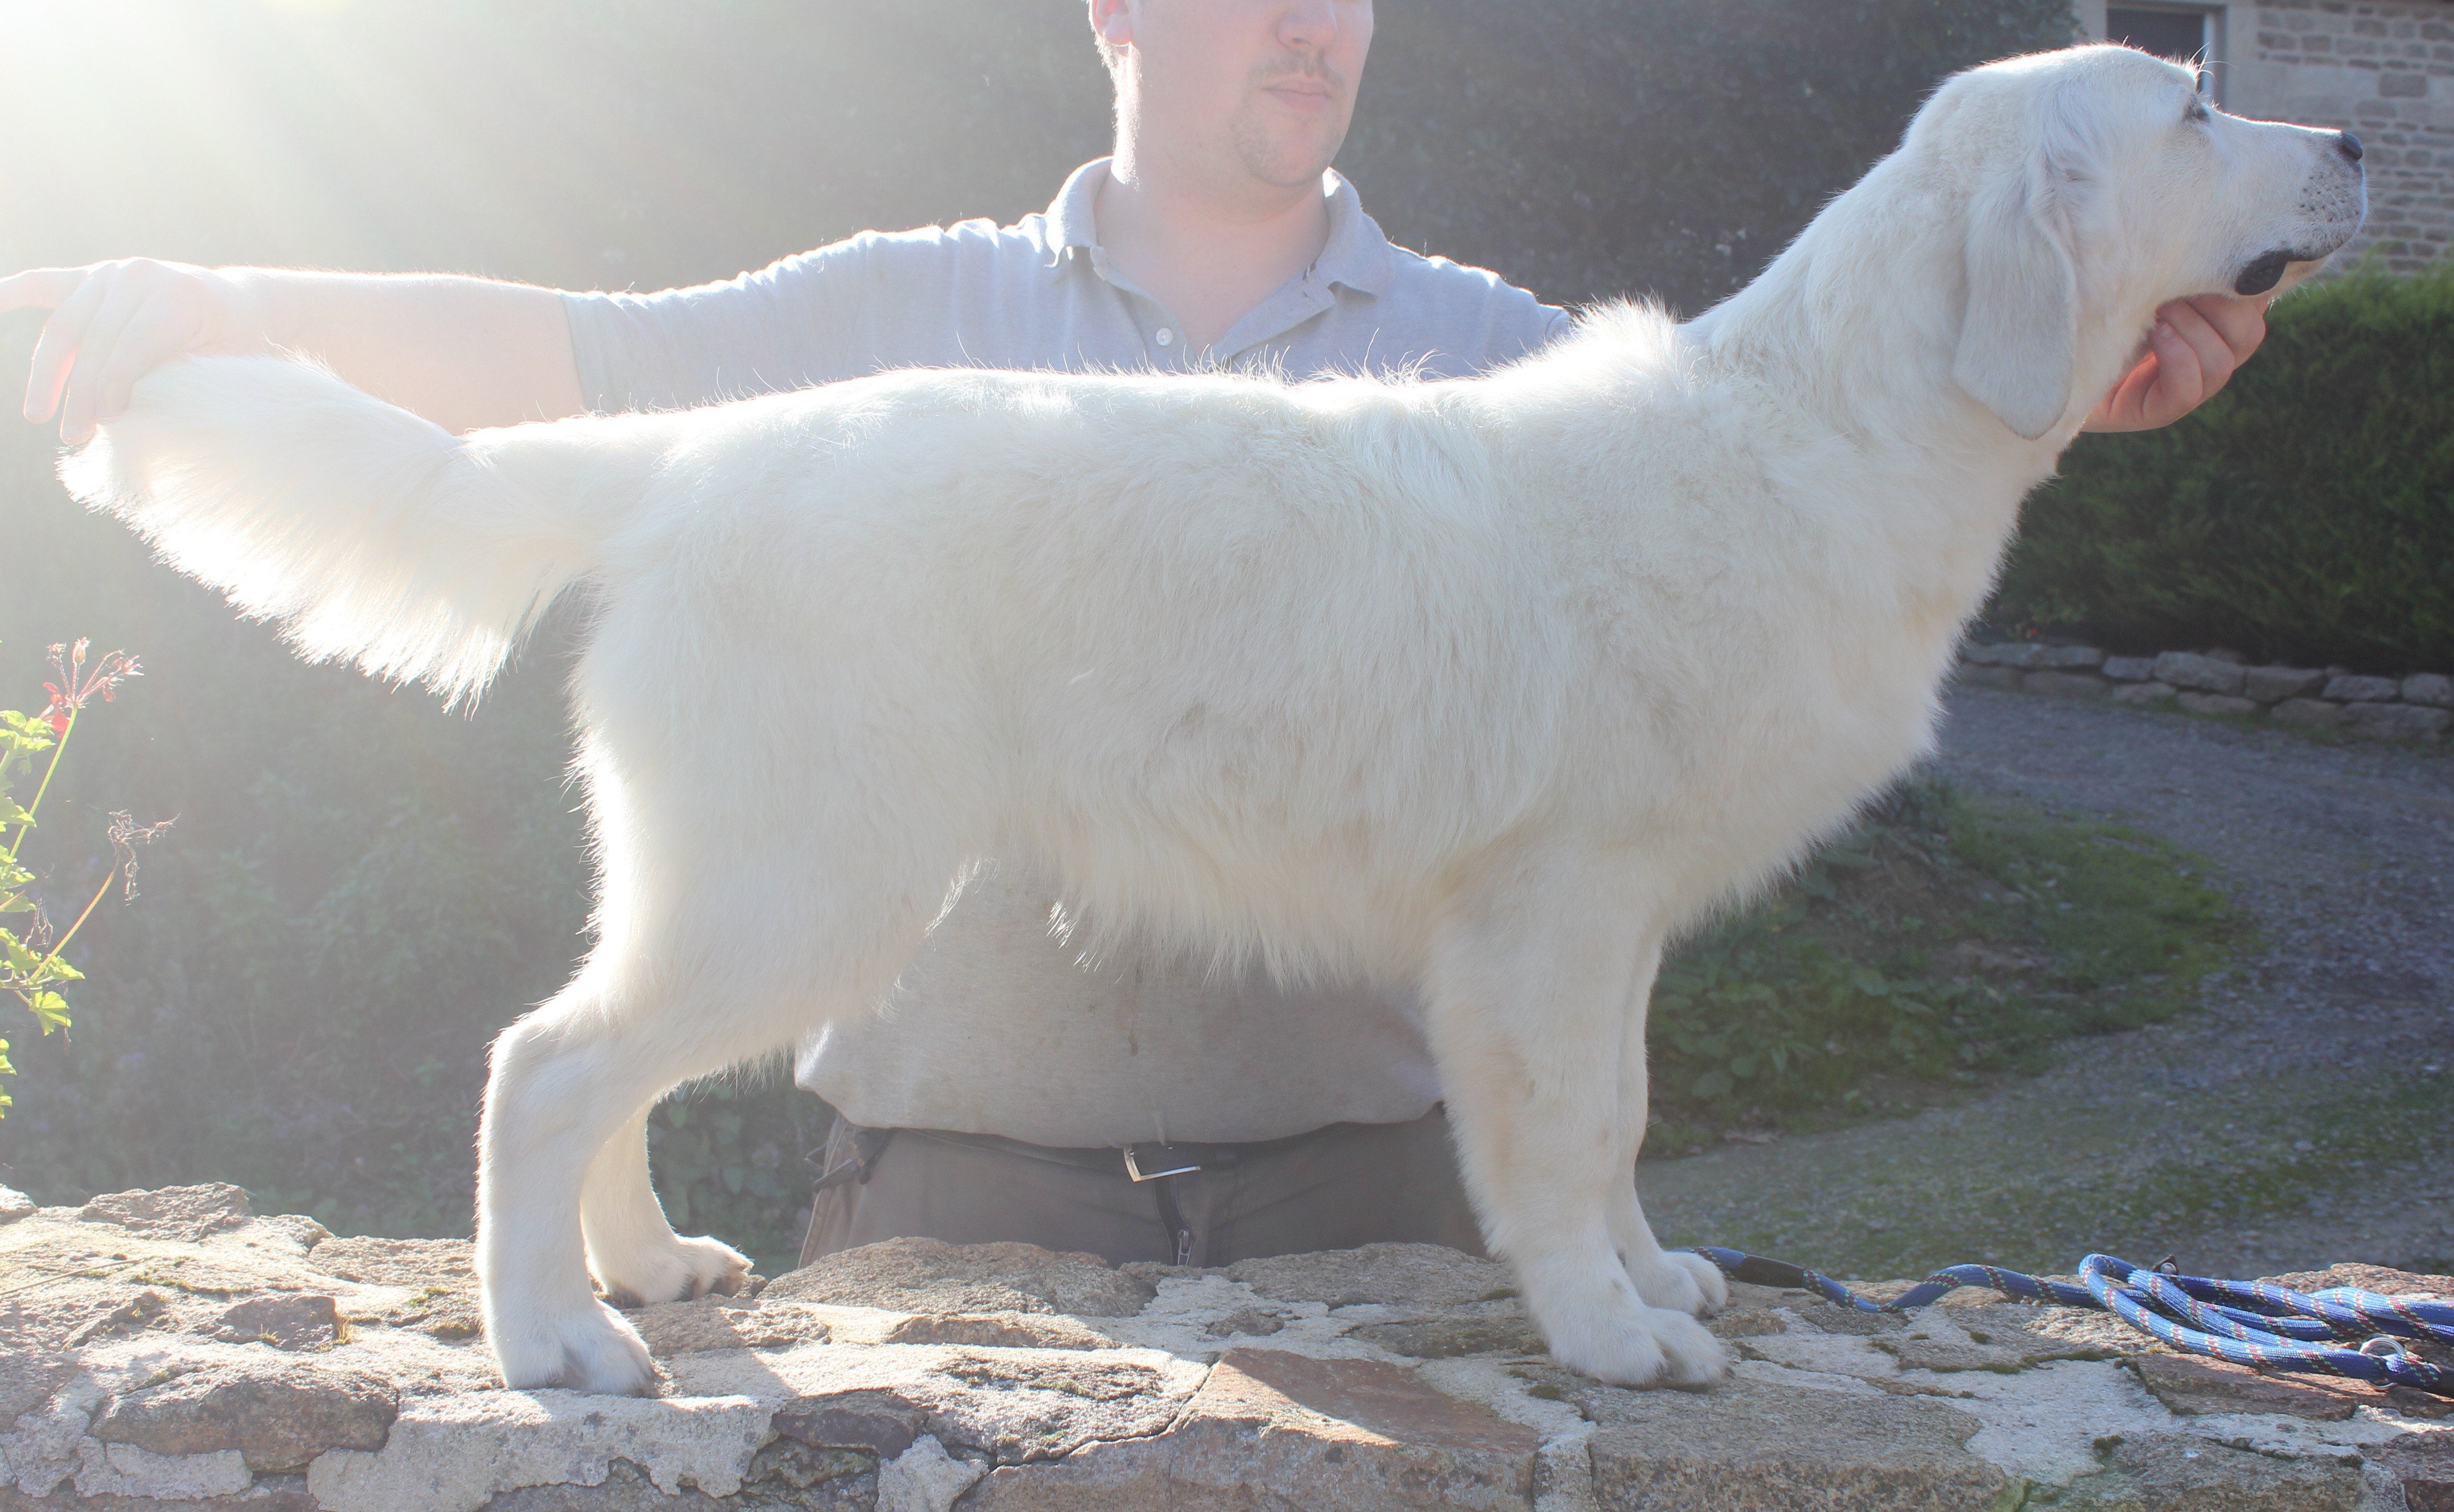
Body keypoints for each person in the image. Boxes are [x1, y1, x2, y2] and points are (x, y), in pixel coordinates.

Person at [1, 1, 2266, 1273]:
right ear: (1110, 7)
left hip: (1369, 1219)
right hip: (955, 1215)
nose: (1312, 22)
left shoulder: (1500, 365)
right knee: (748, 937)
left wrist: (2081, 362)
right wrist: (221, 310)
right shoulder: (910, 319)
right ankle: (585, 1175)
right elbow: (548, 374)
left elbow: (1819, 420)